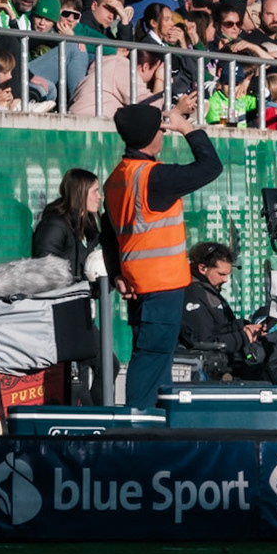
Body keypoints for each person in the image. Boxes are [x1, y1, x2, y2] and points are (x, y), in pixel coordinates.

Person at [100, 96, 219, 411]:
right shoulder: (154, 177)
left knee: (157, 357)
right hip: (161, 285)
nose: (165, 134)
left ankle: (154, 424)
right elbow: (210, 166)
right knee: (151, 358)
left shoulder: (118, 177)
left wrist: (117, 275)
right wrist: (186, 128)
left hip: (140, 285)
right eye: (161, 130)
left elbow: (108, 234)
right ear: (149, 137)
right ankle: (137, 423)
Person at [179, 242, 277, 385]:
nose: (225, 280)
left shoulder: (208, 292)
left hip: (234, 354)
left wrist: (245, 326)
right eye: (221, 274)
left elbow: (220, 328)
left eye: (227, 274)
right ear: (202, 268)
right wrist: (244, 336)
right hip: (226, 363)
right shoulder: (193, 296)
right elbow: (205, 343)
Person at [33, 166, 99, 281]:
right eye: (95, 191)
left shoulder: (88, 224)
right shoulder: (54, 225)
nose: (99, 197)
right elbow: (45, 271)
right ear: (80, 193)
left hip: (81, 295)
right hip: (62, 296)